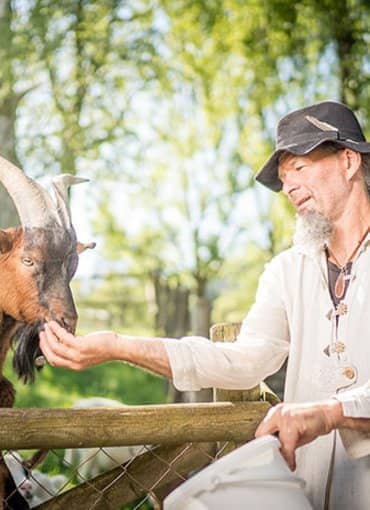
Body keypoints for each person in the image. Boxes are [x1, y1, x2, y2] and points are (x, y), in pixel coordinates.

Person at [39, 101, 370, 509]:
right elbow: (244, 361)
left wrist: (333, 411)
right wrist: (118, 346)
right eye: (283, 179)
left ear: (349, 161)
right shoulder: (287, 270)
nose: (288, 187)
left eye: (299, 168)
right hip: (309, 492)